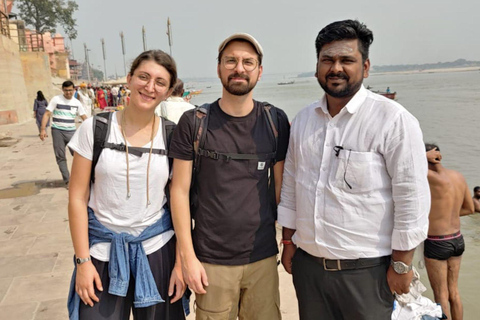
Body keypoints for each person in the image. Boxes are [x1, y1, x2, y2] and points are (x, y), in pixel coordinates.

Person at [278, 20, 430, 319]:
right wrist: (288, 239)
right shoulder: (305, 119)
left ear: (366, 66)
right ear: (317, 66)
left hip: (368, 272)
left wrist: (401, 263)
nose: (336, 68)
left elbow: (411, 195)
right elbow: (292, 184)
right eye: (327, 60)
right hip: (309, 269)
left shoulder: (392, 120)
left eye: (347, 60)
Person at [169, 33, 290, 320]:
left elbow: (283, 191)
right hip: (211, 260)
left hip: (261, 257)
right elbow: (179, 191)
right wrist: (187, 257)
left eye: (248, 62)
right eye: (231, 61)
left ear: (259, 71)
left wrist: (287, 242)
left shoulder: (275, 122)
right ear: (219, 68)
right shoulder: (195, 122)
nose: (239, 68)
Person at [66, 50, 186, 320]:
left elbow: (180, 201)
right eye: (143, 77)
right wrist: (82, 262)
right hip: (101, 253)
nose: (149, 87)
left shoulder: (173, 135)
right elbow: (77, 197)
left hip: (158, 251)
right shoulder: (95, 128)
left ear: (168, 92)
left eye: (159, 82)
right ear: (129, 79)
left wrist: (180, 263)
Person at [424, 144, 474, 320]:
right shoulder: (458, 176)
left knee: (441, 296)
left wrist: (423, 157)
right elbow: (470, 209)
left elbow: (407, 166)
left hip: (437, 242)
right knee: (454, 292)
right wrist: (447, 213)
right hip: (457, 239)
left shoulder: (427, 176)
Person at [39, 81, 87, 187]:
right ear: (62, 90)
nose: (68, 93)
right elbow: (47, 114)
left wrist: (91, 129)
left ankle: (81, 178)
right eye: (66, 90)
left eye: (70, 90)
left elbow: (84, 117)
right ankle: (68, 180)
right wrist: (43, 129)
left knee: (79, 155)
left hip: (71, 131)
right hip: (57, 131)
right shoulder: (56, 99)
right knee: (60, 156)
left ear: (74, 90)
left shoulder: (77, 103)